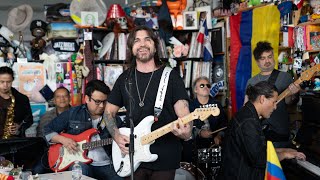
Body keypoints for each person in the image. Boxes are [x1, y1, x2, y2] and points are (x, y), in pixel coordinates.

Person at [104, 26, 192, 180]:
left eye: (147, 39)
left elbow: (184, 114)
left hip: (165, 157)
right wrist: (116, 135)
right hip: (132, 157)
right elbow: (108, 112)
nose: (142, 44)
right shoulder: (125, 79)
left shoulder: (171, 77)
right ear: (132, 48)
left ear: (155, 47)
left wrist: (186, 131)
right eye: (137, 41)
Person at [219, 81, 306, 180]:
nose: (275, 107)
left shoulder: (247, 114)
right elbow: (259, 159)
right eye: (274, 102)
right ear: (262, 99)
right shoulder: (249, 122)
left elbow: (255, 149)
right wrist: (285, 155)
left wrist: (282, 150)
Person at [43, 80, 122, 180]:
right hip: (79, 163)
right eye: (97, 101)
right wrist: (64, 140)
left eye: (104, 101)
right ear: (87, 98)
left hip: (106, 164)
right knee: (81, 172)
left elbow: (124, 136)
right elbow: (47, 130)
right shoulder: (73, 113)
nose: (102, 106)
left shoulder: (112, 117)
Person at [244, 41, 300, 148]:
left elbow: (289, 103)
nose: (267, 61)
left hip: (280, 132)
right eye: (263, 58)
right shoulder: (251, 81)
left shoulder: (285, 77)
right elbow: (246, 107)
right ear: (257, 61)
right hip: (258, 133)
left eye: (269, 57)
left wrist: (294, 94)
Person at [182, 76, 227, 163]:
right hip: (195, 148)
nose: (206, 87)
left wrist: (219, 136)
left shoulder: (216, 104)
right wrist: (199, 132)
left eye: (208, 85)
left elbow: (224, 124)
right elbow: (185, 127)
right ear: (195, 90)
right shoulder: (189, 106)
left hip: (214, 147)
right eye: (202, 85)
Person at [32, 87, 71, 175]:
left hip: (72, 149)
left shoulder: (78, 114)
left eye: (65, 96)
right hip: (50, 151)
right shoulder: (46, 116)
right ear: (54, 100)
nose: (62, 99)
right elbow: (41, 137)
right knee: (37, 170)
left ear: (69, 98)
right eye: (58, 96)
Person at [0, 66, 33, 139]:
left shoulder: (22, 99)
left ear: (12, 80)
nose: (5, 85)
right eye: (2, 82)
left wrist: (19, 126)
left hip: (14, 142)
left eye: (8, 82)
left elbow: (29, 120)